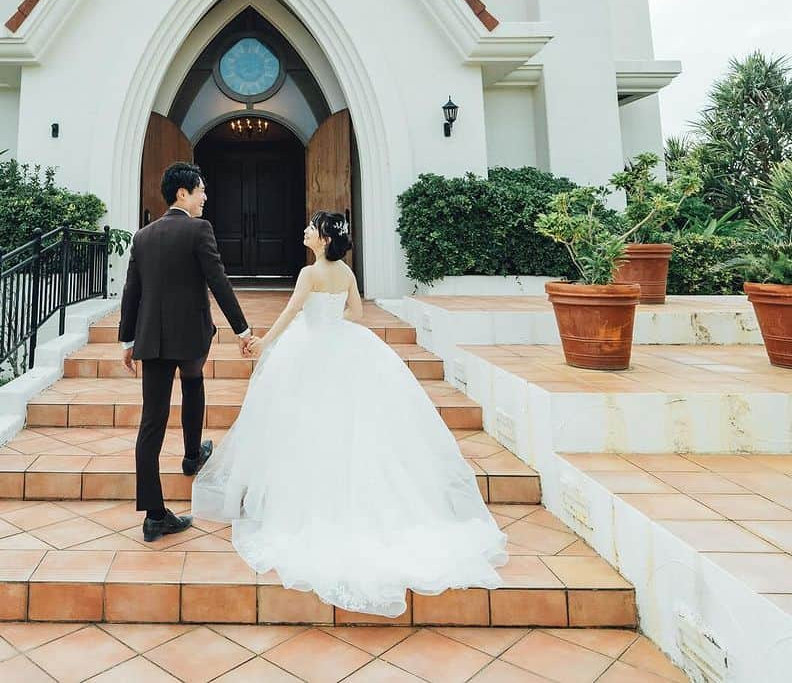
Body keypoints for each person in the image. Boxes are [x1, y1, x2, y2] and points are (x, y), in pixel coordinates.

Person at [191, 210, 509, 617]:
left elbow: (289, 315)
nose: (305, 230)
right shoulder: (345, 273)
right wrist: (330, 323)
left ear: (323, 238)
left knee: (302, 427)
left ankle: (302, 501)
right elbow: (357, 314)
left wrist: (262, 344)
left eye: (311, 227)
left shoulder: (310, 275)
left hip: (307, 350)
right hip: (342, 346)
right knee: (350, 427)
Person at [119, 161, 254, 542]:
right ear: (183, 193)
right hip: (192, 335)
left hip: (153, 340)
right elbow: (218, 281)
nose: (205, 197)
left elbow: (133, 292)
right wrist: (241, 329)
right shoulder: (199, 230)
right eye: (201, 190)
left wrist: (127, 342)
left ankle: (153, 514)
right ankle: (193, 455)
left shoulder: (142, 236)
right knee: (193, 381)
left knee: (152, 423)